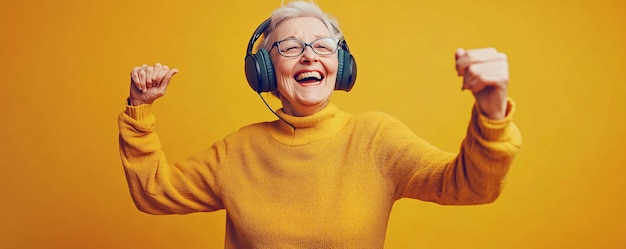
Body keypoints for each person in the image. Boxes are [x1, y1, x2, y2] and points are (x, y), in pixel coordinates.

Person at [118, 1, 522, 248]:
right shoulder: (238, 151)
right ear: (264, 72)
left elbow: (471, 186)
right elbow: (155, 193)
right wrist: (139, 111)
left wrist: (491, 111)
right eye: (290, 47)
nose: (309, 56)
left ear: (340, 66)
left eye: (323, 46)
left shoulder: (376, 140)